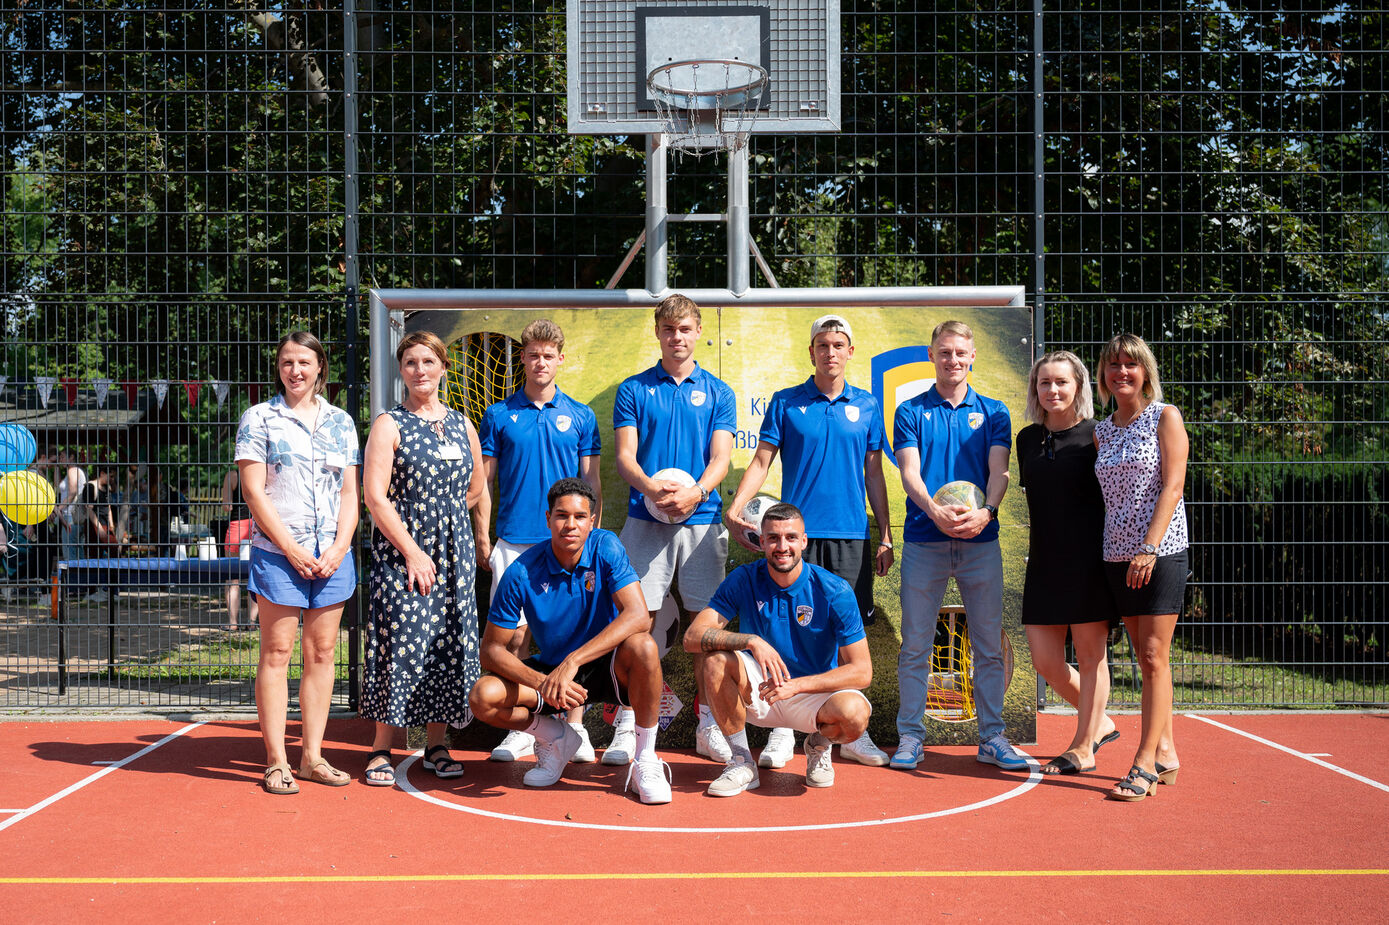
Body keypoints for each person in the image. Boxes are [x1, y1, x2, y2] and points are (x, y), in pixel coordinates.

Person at [723, 313, 892, 769]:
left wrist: (886, 533)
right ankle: (783, 728)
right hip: (796, 536)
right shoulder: (786, 401)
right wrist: (736, 508)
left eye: (839, 344)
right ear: (812, 352)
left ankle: (848, 737)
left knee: (842, 635)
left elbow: (874, 473)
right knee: (786, 629)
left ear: (850, 351)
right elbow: (760, 460)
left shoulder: (869, 406)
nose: (831, 351)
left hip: (851, 537)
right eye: (823, 344)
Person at [468, 478, 672, 805]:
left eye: (580, 517)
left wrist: (572, 661)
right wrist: (544, 681)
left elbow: (637, 615)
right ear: (548, 518)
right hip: (551, 674)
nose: (570, 525)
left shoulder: (605, 546)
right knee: (482, 696)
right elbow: (491, 651)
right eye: (562, 516)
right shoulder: (521, 571)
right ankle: (556, 737)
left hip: (607, 667)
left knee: (644, 646)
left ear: (592, 521)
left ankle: (645, 760)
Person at [891, 320, 1027, 772]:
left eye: (960, 353)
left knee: (988, 645)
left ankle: (992, 738)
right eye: (944, 352)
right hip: (925, 540)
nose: (953, 360)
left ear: (972, 358)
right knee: (915, 646)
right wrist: (933, 509)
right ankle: (910, 736)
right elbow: (909, 472)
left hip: (980, 541)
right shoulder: (909, 411)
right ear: (932, 355)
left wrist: (986, 512)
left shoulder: (994, 412)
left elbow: (999, 470)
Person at [475, 320, 605, 766]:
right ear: (523, 359)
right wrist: (482, 534)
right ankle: (525, 729)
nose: (541, 362)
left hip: (568, 545)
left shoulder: (582, 415)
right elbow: (484, 483)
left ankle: (577, 727)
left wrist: (590, 536)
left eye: (549, 355)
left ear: (560, 359)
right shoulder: (498, 415)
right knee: (513, 640)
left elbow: (592, 482)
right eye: (533, 355)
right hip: (514, 541)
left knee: (569, 637)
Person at [613, 293, 736, 763]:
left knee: (706, 628)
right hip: (646, 521)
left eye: (684, 328)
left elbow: (721, 458)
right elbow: (626, 458)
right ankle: (628, 723)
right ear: (658, 333)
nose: (676, 336)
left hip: (702, 523)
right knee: (635, 623)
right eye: (668, 329)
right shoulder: (634, 388)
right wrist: (654, 491)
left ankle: (709, 725)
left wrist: (695, 494)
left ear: (698, 331)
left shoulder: (719, 392)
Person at [236, 330, 360, 796]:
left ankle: (311, 757)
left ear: (320, 367)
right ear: (279, 368)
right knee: (276, 653)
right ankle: (275, 761)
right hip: (279, 556)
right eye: (287, 362)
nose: (295, 371)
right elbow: (253, 491)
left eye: (304, 362)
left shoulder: (342, 422)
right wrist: (291, 548)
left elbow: (350, 493)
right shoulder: (258, 419)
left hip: (332, 558)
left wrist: (340, 546)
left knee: (323, 654)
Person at [360, 331, 486, 787]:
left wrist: (460, 527)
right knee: (402, 644)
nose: (420, 370)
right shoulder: (388, 424)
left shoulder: (462, 424)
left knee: (449, 644)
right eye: (411, 362)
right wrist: (413, 549)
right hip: (403, 552)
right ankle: (381, 748)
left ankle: (437, 743)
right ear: (402, 370)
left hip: (454, 553)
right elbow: (375, 497)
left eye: (428, 361)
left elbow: (476, 486)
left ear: (443, 367)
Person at [683, 502, 874, 796]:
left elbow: (862, 672)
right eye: (773, 537)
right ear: (761, 541)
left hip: (811, 695)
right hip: (759, 690)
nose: (782, 546)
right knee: (715, 660)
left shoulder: (834, 590)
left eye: (791, 537)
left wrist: (796, 686)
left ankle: (818, 745)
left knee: (855, 714)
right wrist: (750, 641)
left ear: (804, 541)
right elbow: (692, 637)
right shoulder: (745, 578)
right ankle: (742, 763)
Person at [1094, 333, 1188, 802]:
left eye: (1130, 364)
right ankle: (1167, 751)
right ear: (1103, 375)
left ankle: (1144, 763)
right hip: (1117, 556)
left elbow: (1173, 486)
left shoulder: (1164, 417)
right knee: (1145, 658)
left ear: (1145, 371)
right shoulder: (1102, 429)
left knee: (1153, 658)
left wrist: (1149, 548)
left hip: (1159, 553)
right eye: (1113, 365)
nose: (1121, 372)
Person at [1017, 351, 1120, 775]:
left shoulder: (1100, 435)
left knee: (1092, 658)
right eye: (1045, 383)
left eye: (1061, 382)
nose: (1052, 390)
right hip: (1043, 562)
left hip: (1089, 562)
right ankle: (1101, 721)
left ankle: (1083, 745)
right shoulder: (1026, 439)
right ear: (1035, 389)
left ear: (1079, 386)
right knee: (1046, 663)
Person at [220, 466, 258, 630]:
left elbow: (227, 505)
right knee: (255, 575)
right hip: (258, 525)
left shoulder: (232, 474)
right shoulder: (261, 470)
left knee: (231, 577)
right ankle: (251, 622)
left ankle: (232, 622)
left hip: (237, 526)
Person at [54, 452, 88, 563]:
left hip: (70, 516)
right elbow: (57, 486)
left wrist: (58, 509)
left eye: (63, 456)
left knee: (70, 554)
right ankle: (82, 578)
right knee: (78, 552)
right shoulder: (75, 471)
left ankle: (73, 580)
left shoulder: (72, 470)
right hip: (76, 517)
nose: (60, 459)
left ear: (71, 456)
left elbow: (72, 493)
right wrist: (56, 466)